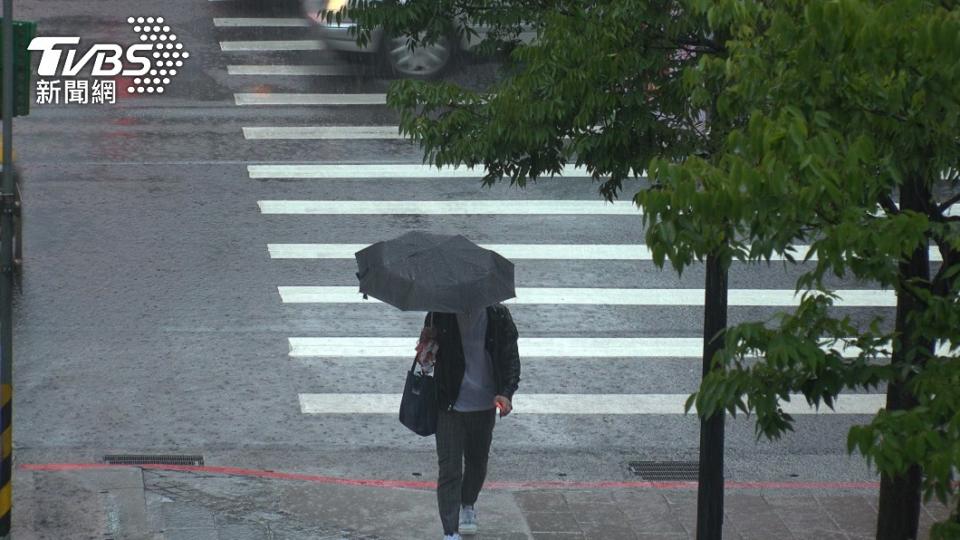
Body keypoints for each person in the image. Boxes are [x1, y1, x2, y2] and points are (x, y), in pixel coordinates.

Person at [421, 303, 520, 539]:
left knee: (477, 463)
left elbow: (511, 359)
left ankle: (468, 504)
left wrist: (506, 393)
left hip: (484, 404)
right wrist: (426, 349)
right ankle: (449, 531)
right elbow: (426, 363)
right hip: (448, 404)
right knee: (449, 468)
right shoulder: (439, 314)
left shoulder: (498, 315)